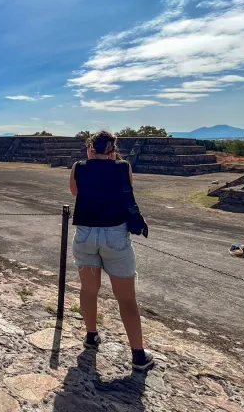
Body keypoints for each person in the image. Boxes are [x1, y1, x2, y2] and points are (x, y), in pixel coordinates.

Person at [69, 130, 154, 371]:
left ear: (90, 148)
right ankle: (138, 353)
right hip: (114, 234)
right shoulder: (122, 167)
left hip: (85, 233)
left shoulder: (78, 167)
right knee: (126, 298)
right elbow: (126, 189)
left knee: (88, 289)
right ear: (112, 150)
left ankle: (91, 334)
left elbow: (76, 193)